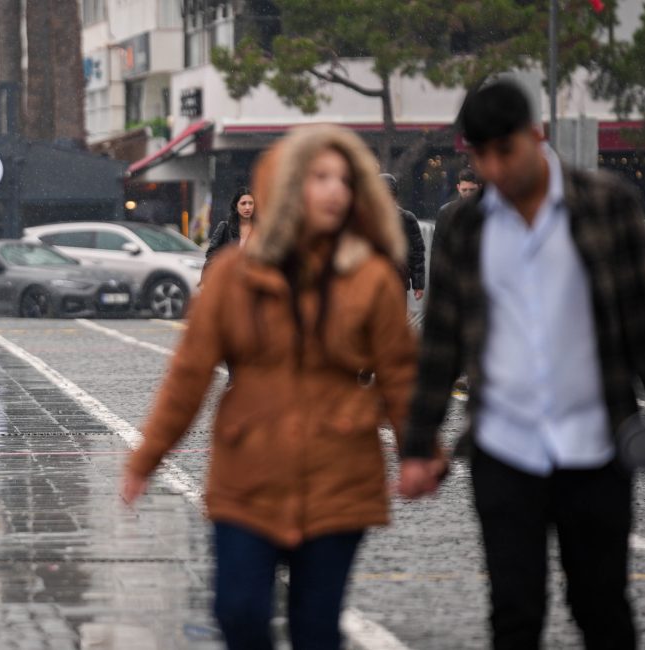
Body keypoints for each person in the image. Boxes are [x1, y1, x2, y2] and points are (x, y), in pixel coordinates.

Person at [399, 79, 645, 650]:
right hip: (503, 448)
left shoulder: (606, 206)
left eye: (506, 151)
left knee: (601, 606)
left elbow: (643, 331)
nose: (495, 168)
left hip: (597, 443)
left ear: (536, 134)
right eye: (481, 155)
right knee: (514, 611)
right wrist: (419, 444)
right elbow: (442, 342)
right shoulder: (466, 227)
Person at [122, 125, 417, 650]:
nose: (334, 190)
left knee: (316, 627)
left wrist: (418, 450)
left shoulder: (370, 277)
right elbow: (188, 376)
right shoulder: (232, 276)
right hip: (247, 475)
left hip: (339, 474)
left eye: (344, 180)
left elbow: (399, 372)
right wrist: (147, 458)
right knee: (237, 611)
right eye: (319, 177)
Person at [380, 173, 426, 302]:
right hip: (373, 280)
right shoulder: (367, 218)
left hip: (398, 279)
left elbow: (417, 252)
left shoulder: (407, 218)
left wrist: (418, 284)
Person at [431, 168, 480, 255]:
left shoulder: (487, 211)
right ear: (458, 188)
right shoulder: (446, 212)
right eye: (464, 190)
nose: (468, 194)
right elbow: (437, 248)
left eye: (472, 190)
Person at [205, 187, 256, 267]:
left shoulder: (261, 231)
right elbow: (211, 255)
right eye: (243, 203)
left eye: (250, 203)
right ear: (236, 206)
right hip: (229, 273)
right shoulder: (225, 227)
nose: (247, 207)